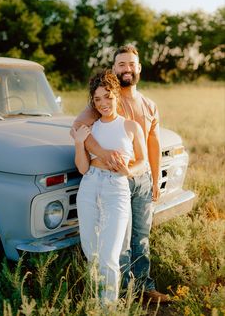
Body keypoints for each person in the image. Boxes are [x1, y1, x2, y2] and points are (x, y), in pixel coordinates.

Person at [72, 44, 169, 304]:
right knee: (120, 241)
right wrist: (103, 154)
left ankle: (144, 288)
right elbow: (78, 128)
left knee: (142, 235)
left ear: (139, 68)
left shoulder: (149, 104)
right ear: (114, 70)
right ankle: (123, 291)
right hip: (116, 179)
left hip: (142, 178)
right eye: (121, 64)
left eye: (131, 64)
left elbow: (153, 143)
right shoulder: (106, 99)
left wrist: (155, 178)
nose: (127, 69)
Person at [72, 70, 147, 303]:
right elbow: (83, 168)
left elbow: (143, 163)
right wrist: (78, 143)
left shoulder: (131, 127)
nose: (103, 103)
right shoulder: (90, 128)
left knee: (110, 255)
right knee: (91, 253)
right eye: (97, 99)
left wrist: (128, 171)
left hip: (117, 188)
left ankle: (108, 308)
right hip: (90, 185)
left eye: (108, 96)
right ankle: (96, 300)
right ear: (93, 102)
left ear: (116, 95)